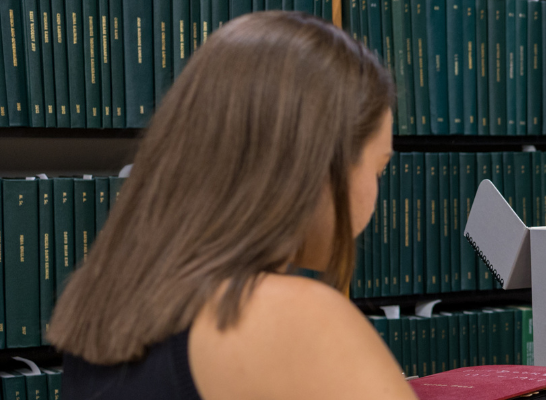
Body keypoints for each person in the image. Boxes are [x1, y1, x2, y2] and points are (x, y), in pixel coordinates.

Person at [47, 11, 418, 400]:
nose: (376, 191)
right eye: (379, 168)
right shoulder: (295, 319)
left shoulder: (103, 308)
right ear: (318, 165)